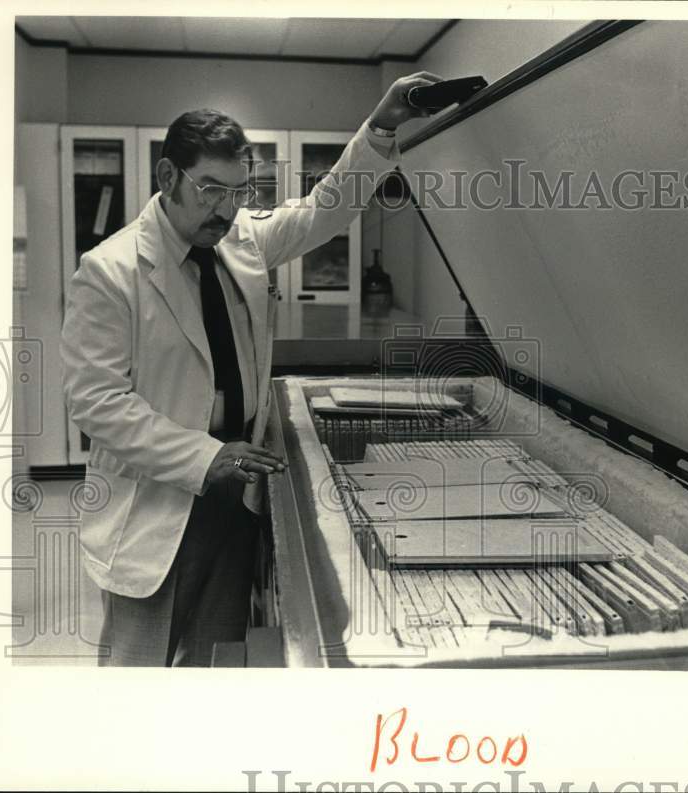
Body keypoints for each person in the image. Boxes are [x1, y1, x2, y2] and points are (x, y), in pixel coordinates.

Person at [60, 72, 442, 666]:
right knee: (138, 676)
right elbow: (97, 403)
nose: (227, 209)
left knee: (218, 659)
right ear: (168, 178)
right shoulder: (110, 273)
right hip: (158, 504)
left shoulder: (243, 239)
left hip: (235, 496)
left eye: (239, 191)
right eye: (213, 190)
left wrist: (383, 126)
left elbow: (326, 209)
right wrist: (204, 456)